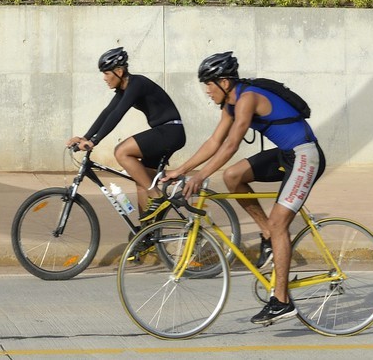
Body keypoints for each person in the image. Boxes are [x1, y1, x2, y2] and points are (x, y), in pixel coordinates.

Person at [164, 51, 323, 327]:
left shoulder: (247, 98)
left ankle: (281, 301)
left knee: (279, 223)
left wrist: (201, 176)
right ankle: (266, 233)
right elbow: (215, 141)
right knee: (233, 176)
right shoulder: (230, 105)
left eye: (209, 84)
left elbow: (231, 144)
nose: (206, 91)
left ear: (224, 82)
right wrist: (181, 170)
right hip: (286, 154)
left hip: (305, 156)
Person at [67, 47, 186, 221]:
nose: (104, 78)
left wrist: (95, 141)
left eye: (107, 73)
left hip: (170, 131)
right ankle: (147, 237)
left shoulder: (137, 84)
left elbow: (118, 113)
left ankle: (157, 196)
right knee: (142, 182)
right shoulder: (124, 89)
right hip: (164, 132)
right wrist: (86, 137)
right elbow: (108, 112)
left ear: (119, 71)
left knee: (121, 151)